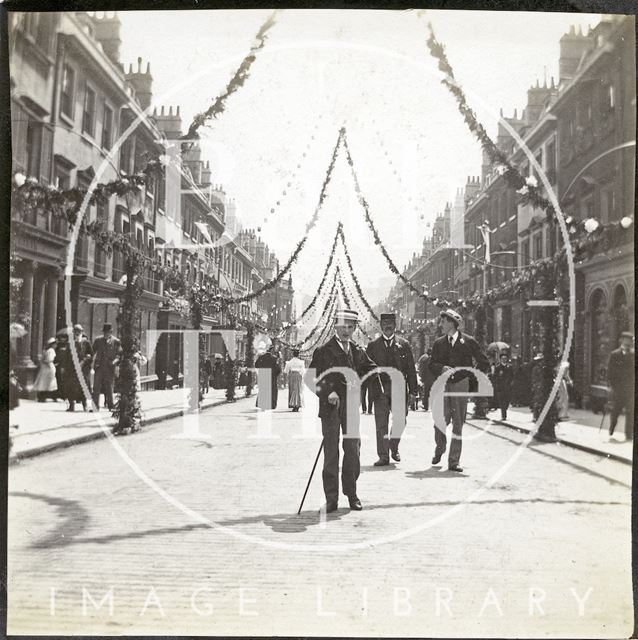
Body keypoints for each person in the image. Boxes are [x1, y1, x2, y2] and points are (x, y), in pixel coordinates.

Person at [307, 308, 380, 512]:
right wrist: (327, 392)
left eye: (350, 327)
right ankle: (331, 498)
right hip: (331, 408)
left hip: (351, 407)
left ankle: (352, 493)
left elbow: (371, 369)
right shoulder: (323, 351)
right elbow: (310, 378)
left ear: (355, 328)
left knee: (353, 451)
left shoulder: (358, 351)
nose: (346, 331)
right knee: (331, 452)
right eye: (342, 326)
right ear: (335, 327)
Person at [428, 308, 489, 472]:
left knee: (458, 424)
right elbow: (431, 364)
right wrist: (441, 368)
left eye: (443, 321)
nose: (440, 324)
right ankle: (440, 448)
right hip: (443, 385)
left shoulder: (468, 341)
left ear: (451, 323)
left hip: (461, 384)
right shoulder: (439, 343)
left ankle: (454, 461)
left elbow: (484, 362)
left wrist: (471, 378)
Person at [366, 312, 417, 466]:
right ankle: (383, 456)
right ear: (380, 326)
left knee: (401, 421)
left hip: (400, 389)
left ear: (395, 325)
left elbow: (410, 369)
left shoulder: (404, 345)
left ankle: (393, 446)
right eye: (385, 323)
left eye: (391, 323)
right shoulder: (373, 346)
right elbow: (366, 370)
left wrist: (413, 391)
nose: (388, 326)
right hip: (380, 390)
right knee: (381, 423)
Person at [607, 332, 634, 440]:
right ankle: (612, 427)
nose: (629, 342)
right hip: (618, 388)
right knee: (616, 410)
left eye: (631, 340)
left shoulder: (633, 354)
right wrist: (612, 386)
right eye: (627, 340)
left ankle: (629, 435)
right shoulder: (615, 354)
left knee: (630, 411)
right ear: (622, 340)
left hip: (630, 389)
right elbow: (610, 371)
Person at [92, 323, 121, 411]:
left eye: (108, 332)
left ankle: (111, 406)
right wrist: (93, 363)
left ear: (111, 332)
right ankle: (95, 406)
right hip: (99, 366)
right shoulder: (98, 340)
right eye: (105, 332)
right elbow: (92, 351)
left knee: (109, 387)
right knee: (96, 387)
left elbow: (119, 355)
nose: (106, 334)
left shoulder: (116, 341)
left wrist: (114, 362)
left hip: (109, 367)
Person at [255, 345, 281, 410]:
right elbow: (278, 369)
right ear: (271, 351)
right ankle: (271, 404)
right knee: (272, 390)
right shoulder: (274, 358)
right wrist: (275, 375)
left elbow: (256, 365)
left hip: (263, 375)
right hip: (272, 376)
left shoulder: (261, 357)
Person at [33, 337, 58, 402]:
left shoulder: (45, 350)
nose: (56, 346)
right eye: (55, 344)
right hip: (49, 368)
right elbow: (49, 360)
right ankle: (46, 396)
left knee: (44, 382)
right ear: (52, 344)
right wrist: (53, 366)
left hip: (44, 368)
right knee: (48, 382)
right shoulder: (51, 350)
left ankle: (42, 397)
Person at [492, 353, 514, 420]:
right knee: (502, 402)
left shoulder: (510, 367)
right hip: (500, 388)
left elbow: (512, 376)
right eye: (502, 358)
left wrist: (512, 383)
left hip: (508, 387)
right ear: (500, 359)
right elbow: (495, 377)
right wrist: (496, 385)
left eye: (505, 358)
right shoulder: (498, 367)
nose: (504, 360)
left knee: (507, 401)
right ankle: (503, 416)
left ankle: (505, 410)